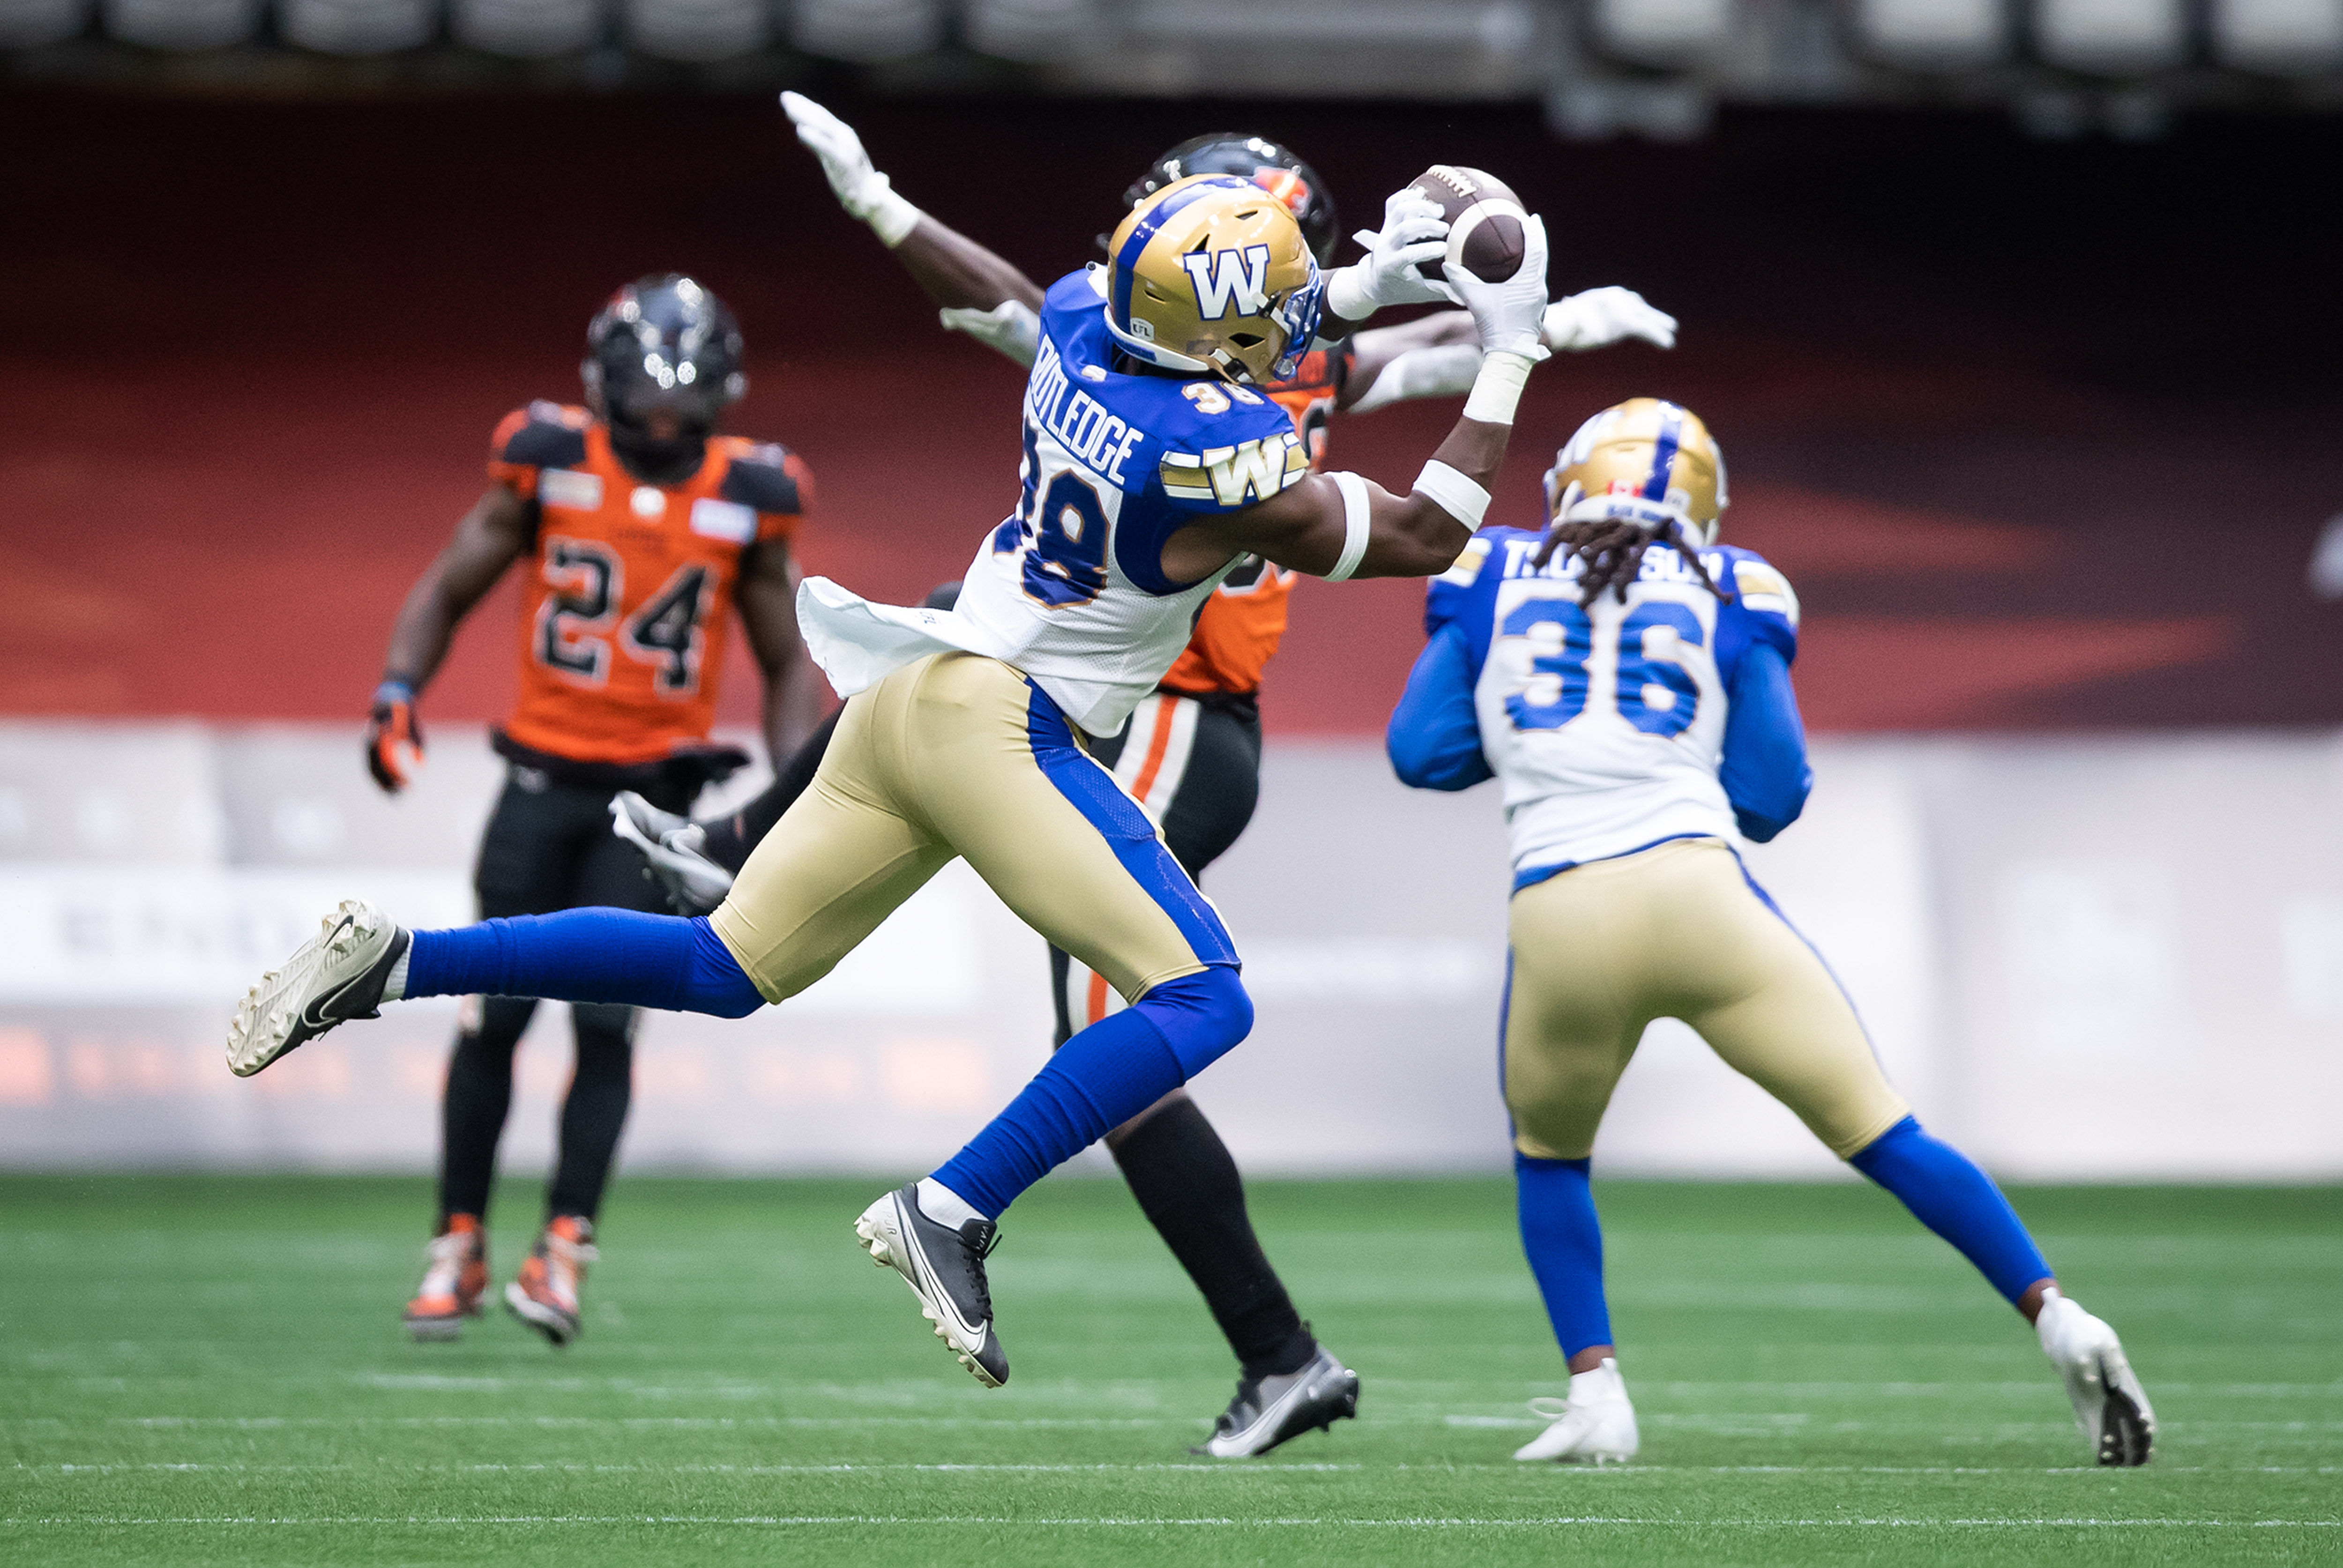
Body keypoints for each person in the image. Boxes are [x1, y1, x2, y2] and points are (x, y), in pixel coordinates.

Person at [229, 171, 1553, 1403]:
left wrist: (1374, 289)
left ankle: (400, 962)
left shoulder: (1091, 319)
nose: (1286, 318)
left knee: (723, 964)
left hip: (911, 690)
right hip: (1004, 727)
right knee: (1204, 995)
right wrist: (1504, 346)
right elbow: (1431, 530)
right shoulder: (1214, 453)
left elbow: (1243, 334)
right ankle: (954, 1204)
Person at [604, 101, 1677, 1455]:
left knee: (1138, 1019)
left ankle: (1252, 1340)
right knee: (961, 656)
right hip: (1123, 706)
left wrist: (1496, 324)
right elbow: (1336, 341)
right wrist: (1495, 318)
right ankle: (1267, 1348)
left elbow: (1305, 363)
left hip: (1173, 713)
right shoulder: (1247, 370)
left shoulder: (1212, 376)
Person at [1383, 398, 2156, 1467]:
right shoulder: (1737, 584)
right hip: (1701, 899)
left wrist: (1541, 750)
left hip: (1558, 904)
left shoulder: (1491, 569)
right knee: (1889, 1136)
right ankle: (2060, 1315)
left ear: (1570, 482)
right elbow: (1774, 790)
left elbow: (1420, 753)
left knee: (1550, 1160)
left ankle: (1595, 1393)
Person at [362, 274, 820, 1346]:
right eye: (645, 397)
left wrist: (796, 788)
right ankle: (457, 1242)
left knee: (608, 1024)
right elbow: (448, 585)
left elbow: (784, 662)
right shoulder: (546, 459)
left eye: (683, 398)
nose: (663, 420)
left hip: (650, 805)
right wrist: (397, 689)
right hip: (536, 787)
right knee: (492, 1018)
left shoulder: (753, 492)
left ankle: (564, 1245)